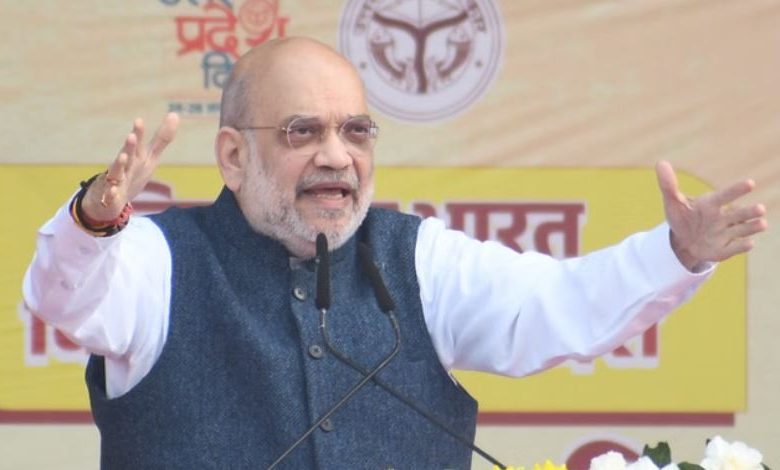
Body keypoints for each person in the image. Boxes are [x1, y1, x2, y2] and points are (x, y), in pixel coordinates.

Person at [23, 37, 767, 469]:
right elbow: (65, 296)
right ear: (232, 156)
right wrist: (92, 221)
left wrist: (676, 252)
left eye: (356, 132)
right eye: (303, 132)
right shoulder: (158, 262)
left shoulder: (417, 259)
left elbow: (557, 306)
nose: (337, 156)